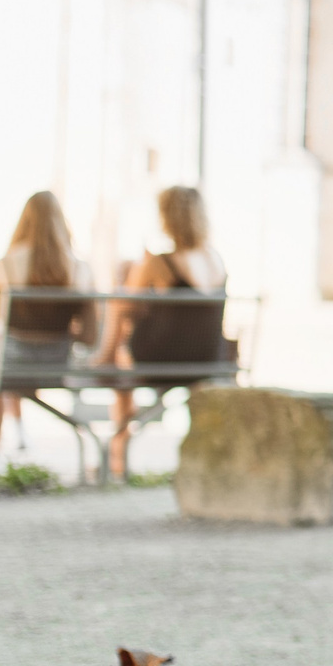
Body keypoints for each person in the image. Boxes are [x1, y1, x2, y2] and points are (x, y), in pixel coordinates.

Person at [93, 187, 228, 481]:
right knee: (130, 339)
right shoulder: (215, 259)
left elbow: (124, 305)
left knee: (120, 347)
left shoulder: (160, 262)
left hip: (165, 358)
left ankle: (118, 449)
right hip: (208, 358)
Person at [0, 192, 92, 473]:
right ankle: (20, 431)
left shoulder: (4, 266)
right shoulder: (80, 269)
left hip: (12, 365)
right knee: (7, 356)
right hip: (55, 365)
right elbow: (90, 338)